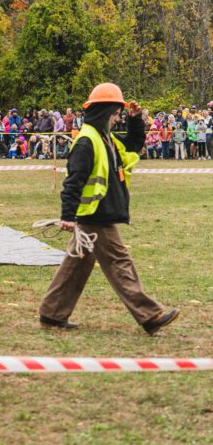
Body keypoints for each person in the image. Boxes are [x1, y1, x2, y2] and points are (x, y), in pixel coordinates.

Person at [39, 82, 179, 335]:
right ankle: (149, 314)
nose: (117, 119)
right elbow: (73, 182)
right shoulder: (87, 142)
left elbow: (134, 147)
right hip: (96, 216)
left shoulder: (106, 139)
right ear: (104, 112)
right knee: (119, 262)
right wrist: (67, 216)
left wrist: (136, 120)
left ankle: (52, 313)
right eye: (116, 114)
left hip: (98, 213)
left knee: (76, 265)